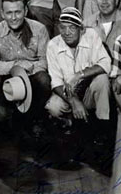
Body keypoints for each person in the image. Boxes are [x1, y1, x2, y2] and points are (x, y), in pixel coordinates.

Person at [0, 0, 51, 129]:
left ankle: (36, 117)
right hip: (7, 80)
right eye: (9, 13)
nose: (13, 18)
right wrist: (16, 67)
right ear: (2, 13)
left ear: (25, 11)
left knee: (44, 79)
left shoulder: (39, 29)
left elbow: (45, 61)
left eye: (18, 12)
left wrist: (27, 70)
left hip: (32, 78)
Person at [45, 8, 112, 138]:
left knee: (102, 79)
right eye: (63, 28)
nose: (67, 32)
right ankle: (70, 123)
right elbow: (56, 82)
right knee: (53, 107)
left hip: (88, 91)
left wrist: (79, 74)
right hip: (68, 93)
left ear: (81, 28)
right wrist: (74, 101)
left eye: (72, 28)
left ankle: (102, 128)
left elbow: (106, 64)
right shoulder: (53, 44)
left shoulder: (91, 35)